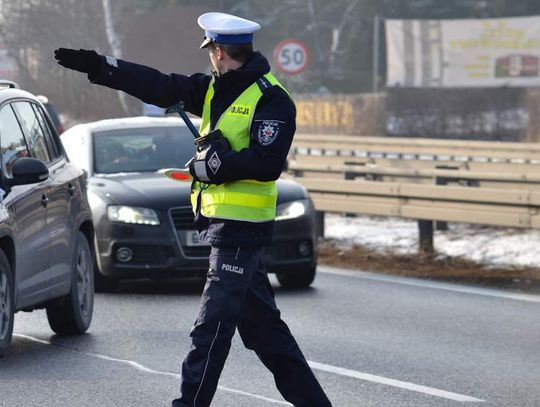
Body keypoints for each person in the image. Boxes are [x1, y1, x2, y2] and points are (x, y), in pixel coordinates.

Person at [54, 11, 332, 407]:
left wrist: (219, 165)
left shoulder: (271, 98)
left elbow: (269, 162)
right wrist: (101, 66)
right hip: (222, 226)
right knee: (266, 333)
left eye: (210, 51)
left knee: (211, 329)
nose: (209, 59)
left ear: (219, 51)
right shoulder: (216, 90)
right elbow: (160, 86)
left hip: (241, 229)